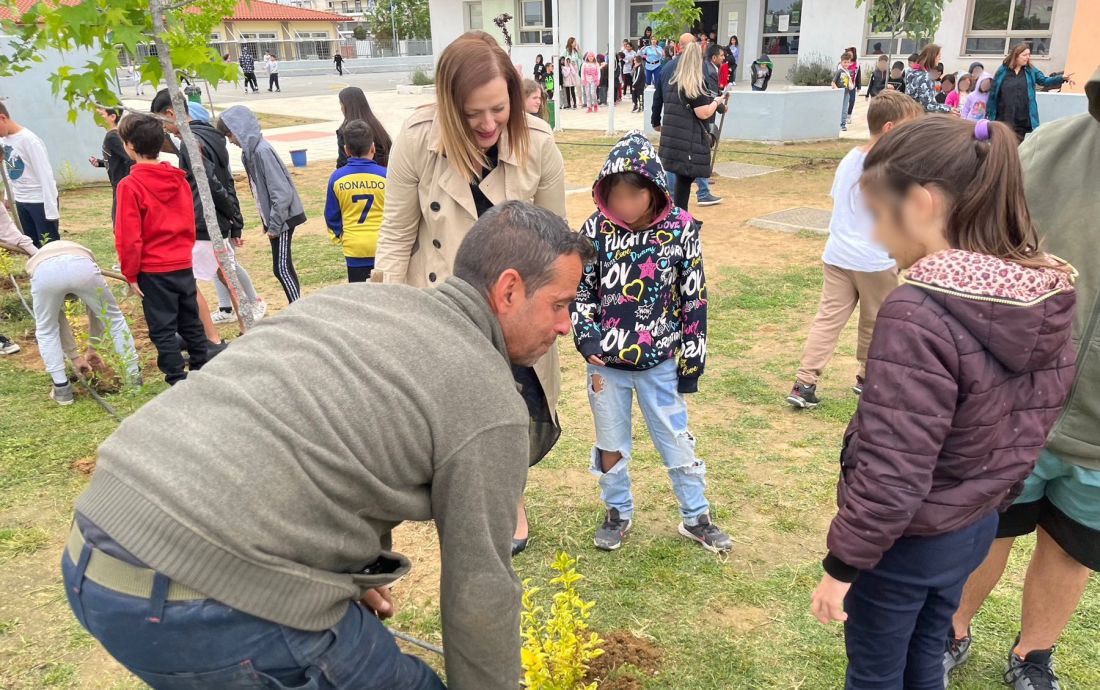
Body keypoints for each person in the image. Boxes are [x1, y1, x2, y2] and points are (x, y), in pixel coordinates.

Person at [62, 200, 594, 690]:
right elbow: (481, 591)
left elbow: (307, 431)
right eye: (560, 304)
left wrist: (335, 567)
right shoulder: (489, 399)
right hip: (203, 599)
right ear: (508, 290)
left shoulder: (362, 302)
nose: (566, 326)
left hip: (94, 547)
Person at [809, 115, 1077, 690]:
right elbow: (1033, 425)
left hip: (904, 546)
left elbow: (892, 469)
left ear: (924, 204)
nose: (878, 236)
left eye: (880, 215)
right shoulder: (1044, 295)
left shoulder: (919, 312)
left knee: (877, 672)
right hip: (971, 529)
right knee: (927, 650)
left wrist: (841, 566)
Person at [374, 31, 567, 557]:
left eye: (498, 110)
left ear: (515, 95)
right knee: (451, 415)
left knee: (512, 407)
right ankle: (460, 506)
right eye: (471, 113)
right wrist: (388, 310)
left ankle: (511, 499)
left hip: (515, 309)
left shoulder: (540, 146)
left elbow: (556, 244)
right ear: (447, 104)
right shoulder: (416, 139)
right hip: (443, 305)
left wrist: (552, 311)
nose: (486, 125)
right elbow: (396, 234)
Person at [944, 64, 1100, 690]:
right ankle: (949, 632)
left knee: (1072, 548)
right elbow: (984, 251)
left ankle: (1033, 656)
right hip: (1019, 405)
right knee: (984, 531)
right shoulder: (1050, 147)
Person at [571, 129, 731, 554]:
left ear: (654, 190)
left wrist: (692, 357)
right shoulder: (596, 228)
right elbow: (581, 291)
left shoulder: (680, 228)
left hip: (660, 362)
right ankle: (617, 511)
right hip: (605, 365)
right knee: (610, 441)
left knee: (675, 438)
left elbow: (693, 295)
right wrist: (587, 340)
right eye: (615, 196)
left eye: (632, 195)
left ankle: (696, 515)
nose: (623, 205)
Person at [786, 91, 923, 410]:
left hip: (838, 254)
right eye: (908, 129)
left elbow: (839, 201)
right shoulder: (893, 169)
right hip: (874, 259)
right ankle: (868, 378)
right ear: (890, 129)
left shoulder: (851, 158)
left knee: (828, 319)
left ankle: (804, 382)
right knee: (877, 321)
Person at [151, 90, 253, 342]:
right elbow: (227, 180)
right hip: (217, 220)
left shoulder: (191, 141)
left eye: (162, 122)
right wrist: (234, 220)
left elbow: (211, 182)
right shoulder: (212, 135)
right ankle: (246, 328)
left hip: (203, 221)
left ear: (171, 114)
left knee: (189, 281)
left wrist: (231, 213)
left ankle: (211, 339)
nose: (164, 129)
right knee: (226, 274)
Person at [114, 113, 208, 384]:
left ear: (130, 145)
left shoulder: (130, 185)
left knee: (163, 328)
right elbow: (189, 220)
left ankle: (176, 379)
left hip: (153, 269)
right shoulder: (178, 178)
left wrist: (130, 274)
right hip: (181, 262)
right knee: (191, 320)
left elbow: (128, 236)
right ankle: (202, 372)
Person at [28, 239, 142, 403]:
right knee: (113, 318)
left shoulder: (40, 269)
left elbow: (57, 323)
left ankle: (62, 390)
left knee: (46, 328)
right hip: (81, 266)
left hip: (46, 273)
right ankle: (134, 378)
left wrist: (91, 350)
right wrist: (76, 355)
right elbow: (99, 313)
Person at [217, 106, 307, 305]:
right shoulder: (250, 153)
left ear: (240, 129)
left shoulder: (262, 152)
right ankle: (297, 305)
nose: (230, 140)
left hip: (283, 217)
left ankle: (298, 307)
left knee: (281, 268)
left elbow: (281, 193)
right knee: (282, 267)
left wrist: (274, 225)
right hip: (276, 218)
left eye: (230, 134)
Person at [657, 41, 724, 212]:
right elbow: (703, 112)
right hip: (687, 140)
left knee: (681, 181)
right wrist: (717, 102)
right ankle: (682, 217)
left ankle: (681, 216)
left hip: (672, 138)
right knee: (684, 181)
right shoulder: (694, 83)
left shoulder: (674, 81)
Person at [324, 120, 386, 284]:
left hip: (354, 248)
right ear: (372, 147)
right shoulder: (386, 176)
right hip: (382, 245)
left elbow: (331, 215)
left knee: (359, 295)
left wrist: (340, 236)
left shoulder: (337, 178)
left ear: (346, 150)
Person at [0, 103, 59, 248]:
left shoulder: (29, 140)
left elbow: (45, 175)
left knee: (48, 246)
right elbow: (8, 169)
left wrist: (51, 211)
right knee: (30, 245)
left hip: (39, 202)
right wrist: (8, 196)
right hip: (21, 200)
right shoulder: (3, 140)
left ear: (2, 118)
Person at [988, 43, 1072, 142]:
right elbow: (993, 92)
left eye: (1029, 54)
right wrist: (989, 112)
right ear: (1016, 55)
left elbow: (1044, 80)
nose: (1027, 57)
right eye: (1024, 55)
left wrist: (1061, 78)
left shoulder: (1031, 70)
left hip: (1022, 117)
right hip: (1004, 116)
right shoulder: (1003, 70)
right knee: (1002, 144)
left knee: (1017, 146)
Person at [87, 107, 133, 222]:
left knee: (119, 223)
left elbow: (131, 158)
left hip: (121, 188)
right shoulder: (113, 135)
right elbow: (120, 159)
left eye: (101, 115)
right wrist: (101, 163)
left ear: (112, 117)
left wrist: (126, 182)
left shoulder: (112, 137)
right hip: (119, 187)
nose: (97, 118)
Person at [335, 86, 392, 169]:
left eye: (341, 105)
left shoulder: (346, 132)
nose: (341, 109)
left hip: (353, 178)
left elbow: (342, 163)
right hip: (383, 176)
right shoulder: (378, 128)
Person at [905, 44, 951, 113]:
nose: (939, 59)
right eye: (938, 56)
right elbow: (928, 105)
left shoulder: (911, 72)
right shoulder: (925, 77)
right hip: (919, 115)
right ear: (932, 57)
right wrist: (949, 109)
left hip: (909, 112)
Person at [834, 51, 858, 132]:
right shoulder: (839, 72)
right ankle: (837, 124)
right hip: (839, 93)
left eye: (848, 62)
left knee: (845, 109)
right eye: (845, 62)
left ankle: (842, 124)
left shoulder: (849, 72)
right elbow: (833, 82)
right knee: (838, 109)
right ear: (841, 62)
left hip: (847, 93)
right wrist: (837, 90)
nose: (846, 64)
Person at [845, 46, 862, 124]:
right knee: (843, 101)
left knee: (851, 100)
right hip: (844, 86)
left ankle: (848, 115)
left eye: (851, 54)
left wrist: (859, 86)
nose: (849, 55)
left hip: (852, 86)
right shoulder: (843, 63)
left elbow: (858, 76)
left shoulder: (857, 65)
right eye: (848, 54)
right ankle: (843, 115)